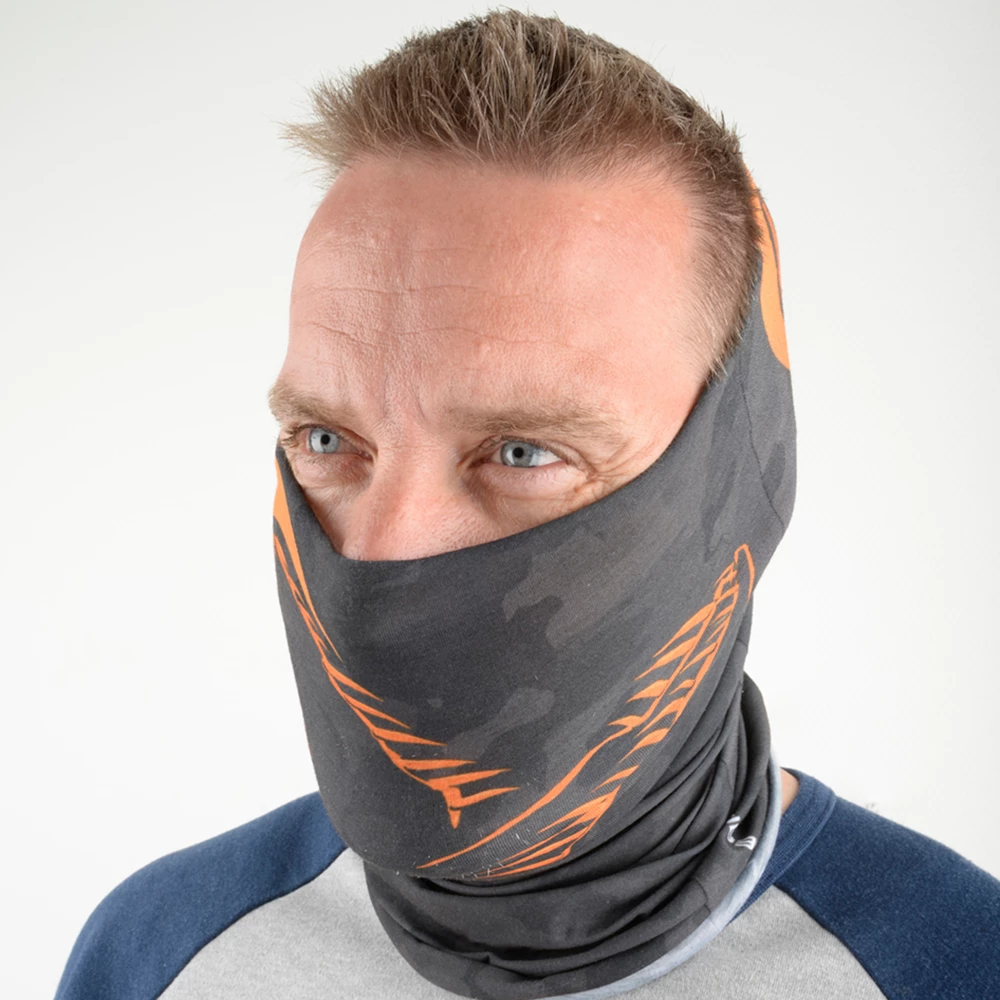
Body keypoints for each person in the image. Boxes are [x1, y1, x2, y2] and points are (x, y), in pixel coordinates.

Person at [53, 10, 999, 1000]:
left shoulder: (955, 967)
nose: (381, 550)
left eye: (521, 452)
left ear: (737, 474)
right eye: (328, 440)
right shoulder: (160, 953)